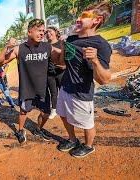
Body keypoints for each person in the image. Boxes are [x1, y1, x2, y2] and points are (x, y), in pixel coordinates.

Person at [55, 1, 112, 158]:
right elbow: (61, 65)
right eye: (79, 16)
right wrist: (61, 48)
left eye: (84, 16)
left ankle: (88, 146)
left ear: (97, 20)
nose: (78, 19)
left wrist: (95, 61)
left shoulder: (102, 45)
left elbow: (105, 80)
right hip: (65, 88)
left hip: (82, 94)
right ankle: (73, 139)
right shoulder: (71, 39)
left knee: (87, 124)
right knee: (63, 115)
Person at [0, 19, 61, 143]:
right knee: (23, 111)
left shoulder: (47, 47)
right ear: (29, 31)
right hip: (27, 89)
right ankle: (21, 130)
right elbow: (0, 62)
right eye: (39, 30)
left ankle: (38, 129)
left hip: (43, 89)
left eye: (43, 31)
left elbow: (60, 57)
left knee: (46, 113)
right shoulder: (19, 49)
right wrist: (7, 47)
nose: (42, 33)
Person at [45, 27, 66, 119]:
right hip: (50, 73)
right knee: (53, 92)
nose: (48, 33)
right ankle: (54, 110)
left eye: (50, 31)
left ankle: (66, 108)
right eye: (46, 32)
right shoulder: (45, 45)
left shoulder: (61, 43)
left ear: (56, 32)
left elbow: (67, 55)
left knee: (64, 91)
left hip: (61, 72)